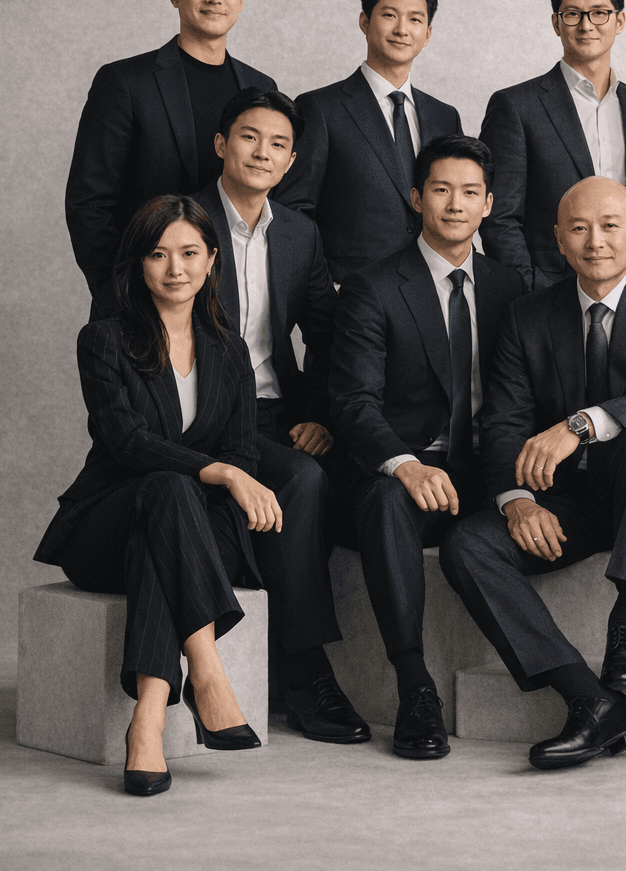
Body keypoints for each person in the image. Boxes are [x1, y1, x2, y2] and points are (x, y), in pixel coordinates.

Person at [439, 178, 626, 770]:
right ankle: (591, 702)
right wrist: (515, 500)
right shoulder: (527, 316)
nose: (596, 241)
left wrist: (582, 423)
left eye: (612, 226)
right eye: (580, 228)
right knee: (468, 544)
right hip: (577, 500)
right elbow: (505, 422)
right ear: (558, 239)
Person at [34, 195, 274, 796]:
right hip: (104, 527)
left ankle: (146, 723)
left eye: (190, 253)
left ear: (212, 260)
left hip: (185, 532)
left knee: (162, 536)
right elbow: (125, 442)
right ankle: (208, 671)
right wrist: (218, 472)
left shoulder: (230, 351)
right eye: (158, 254)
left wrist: (227, 474)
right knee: (164, 490)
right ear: (138, 265)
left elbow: (245, 453)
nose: (175, 268)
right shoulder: (104, 340)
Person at [328, 135, 526, 759]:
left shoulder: (509, 287)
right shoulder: (374, 286)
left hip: (481, 467)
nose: (455, 204)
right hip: (402, 465)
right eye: (440, 190)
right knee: (388, 501)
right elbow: (352, 402)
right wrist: (406, 464)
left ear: (489, 203)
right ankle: (415, 686)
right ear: (416, 198)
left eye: (470, 192)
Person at [187, 88, 369, 746]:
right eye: (248, 137)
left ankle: (290, 665)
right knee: (299, 481)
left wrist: (320, 413)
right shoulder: (180, 222)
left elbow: (327, 334)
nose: (262, 152)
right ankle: (305, 671)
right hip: (199, 420)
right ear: (221, 145)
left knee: (334, 469)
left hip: (272, 414)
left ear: (292, 160)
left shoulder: (299, 232)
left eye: (278, 144)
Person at [66, 0, 278, 316]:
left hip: (234, 300)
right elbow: (89, 201)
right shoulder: (125, 82)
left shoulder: (261, 88)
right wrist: (121, 294)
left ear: (241, 0)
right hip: (143, 297)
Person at [479, 0, 626, 290]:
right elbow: (499, 217)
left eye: (599, 13)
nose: (586, 25)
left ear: (619, 21)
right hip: (548, 292)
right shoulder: (516, 106)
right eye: (572, 14)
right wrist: (527, 289)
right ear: (556, 23)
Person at [274, 0, 464, 284]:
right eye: (389, 15)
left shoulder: (444, 116)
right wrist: (322, 293)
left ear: (428, 34)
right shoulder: (321, 108)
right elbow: (293, 212)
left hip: (431, 290)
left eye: (415, 19)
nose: (402, 29)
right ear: (365, 21)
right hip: (349, 292)